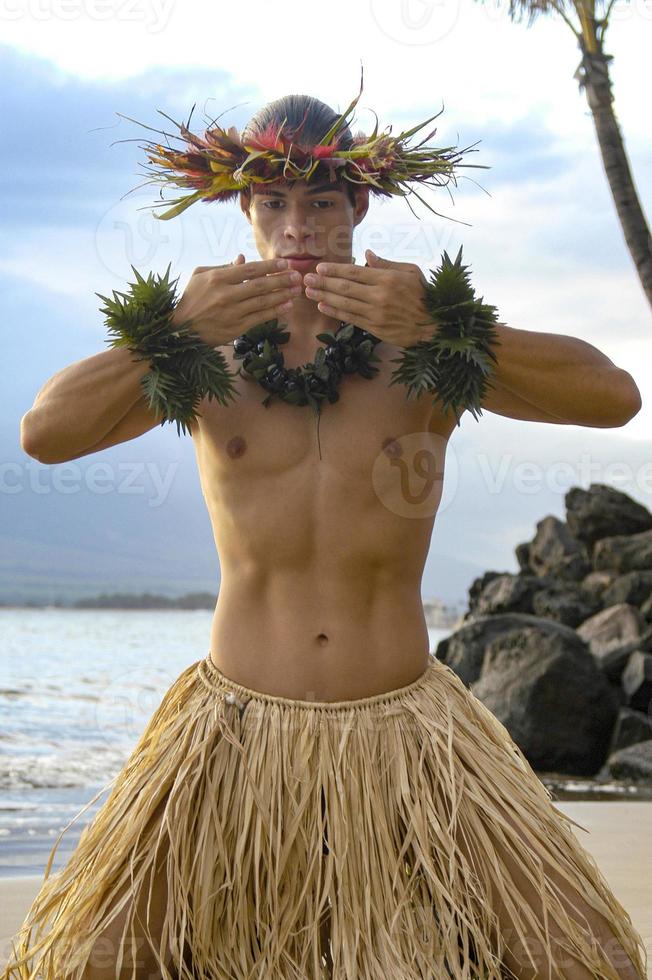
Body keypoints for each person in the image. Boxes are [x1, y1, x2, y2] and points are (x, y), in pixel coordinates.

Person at [3, 80, 647, 980]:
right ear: (246, 209)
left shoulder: (422, 343)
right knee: (97, 964)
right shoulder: (201, 353)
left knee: (594, 961)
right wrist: (172, 331)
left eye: (320, 202)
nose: (297, 226)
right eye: (273, 203)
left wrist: (442, 324)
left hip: (412, 734)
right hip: (227, 731)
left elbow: (615, 394)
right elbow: (45, 433)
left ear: (359, 204)